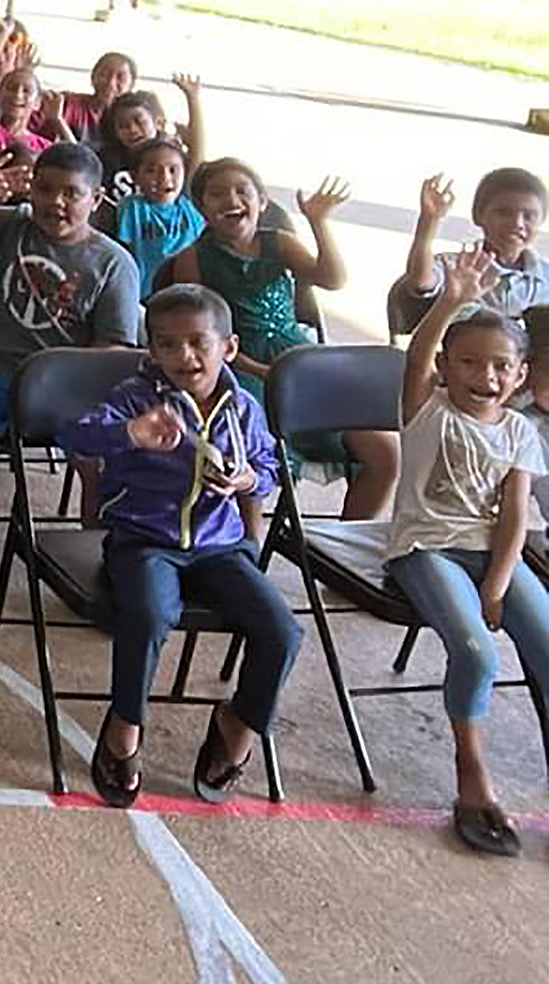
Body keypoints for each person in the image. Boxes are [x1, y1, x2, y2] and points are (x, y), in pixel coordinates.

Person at [56, 285, 301, 807]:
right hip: (144, 541)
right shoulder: (136, 397)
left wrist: (245, 482)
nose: (183, 356)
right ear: (152, 352)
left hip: (219, 547)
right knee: (147, 613)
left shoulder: (244, 408)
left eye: (198, 343)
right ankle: (125, 724)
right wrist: (130, 433)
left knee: (281, 630)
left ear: (228, 347)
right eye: (167, 345)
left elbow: (271, 470)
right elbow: (76, 435)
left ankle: (238, 725)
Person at [383, 246, 549, 857]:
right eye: (469, 362)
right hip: (427, 548)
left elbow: (512, 518)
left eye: (502, 366)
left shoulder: (519, 431)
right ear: (447, 368)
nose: (486, 376)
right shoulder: (428, 408)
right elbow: (416, 356)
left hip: (491, 556)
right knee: (476, 653)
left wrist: (499, 586)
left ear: (521, 374)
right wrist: (450, 300)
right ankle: (472, 775)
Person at [0, 145, 143, 571]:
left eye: (71, 193)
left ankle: (95, 556)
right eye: (45, 189)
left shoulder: (114, 264)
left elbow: (113, 349)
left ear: (96, 200)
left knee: (96, 454)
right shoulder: (15, 227)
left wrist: (53, 379)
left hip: (69, 385)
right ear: (31, 191)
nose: (56, 202)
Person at [169, 163, 387, 515]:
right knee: (243, 446)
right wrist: (260, 370)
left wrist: (318, 222)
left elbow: (332, 279)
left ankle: (347, 543)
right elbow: (197, 336)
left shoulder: (279, 243)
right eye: (217, 193)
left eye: (243, 190)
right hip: (234, 364)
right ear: (201, 207)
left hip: (298, 358)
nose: (231, 199)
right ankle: (248, 541)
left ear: (263, 201)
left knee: (383, 452)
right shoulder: (193, 258)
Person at [393, 167, 549, 330]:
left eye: (529, 216)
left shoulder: (545, 276)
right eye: (504, 213)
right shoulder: (455, 266)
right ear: (478, 215)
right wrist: (430, 220)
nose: (517, 223)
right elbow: (420, 281)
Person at [97, 133, 205, 293]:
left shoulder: (190, 207)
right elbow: (124, 250)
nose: (164, 177)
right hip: (146, 293)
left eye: (173, 170)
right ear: (135, 177)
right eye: (151, 170)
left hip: (190, 294)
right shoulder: (132, 207)